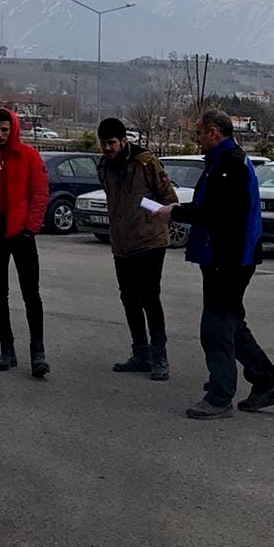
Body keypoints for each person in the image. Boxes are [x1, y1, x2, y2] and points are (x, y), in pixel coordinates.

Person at [155, 109, 274, 419]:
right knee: (231, 323)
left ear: (214, 132)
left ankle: (220, 396)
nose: (196, 139)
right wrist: (179, 209)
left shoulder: (230, 166)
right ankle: (265, 382)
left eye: (199, 133)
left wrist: (174, 212)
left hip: (230, 259)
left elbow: (215, 213)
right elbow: (210, 207)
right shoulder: (224, 163)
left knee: (215, 327)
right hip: (223, 257)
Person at [0, 108, 51, 378]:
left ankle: (38, 352)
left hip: (22, 233)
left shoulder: (29, 156)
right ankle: (7, 350)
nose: (0, 134)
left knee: (30, 293)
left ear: (13, 128)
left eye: (5, 129)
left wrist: (30, 228)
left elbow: (39, 194)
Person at [96, 117, 178, 381]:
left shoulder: (145, 162)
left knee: (150, 297)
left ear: (123, 141)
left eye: (111, 143)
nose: (107, 148)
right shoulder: (104, 167)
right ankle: (140, 352)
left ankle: (160, 355)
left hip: (150, 241)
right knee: (129, 297)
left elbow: (169, 199)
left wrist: (152, 215)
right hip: (122, 243)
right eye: (103, 143)